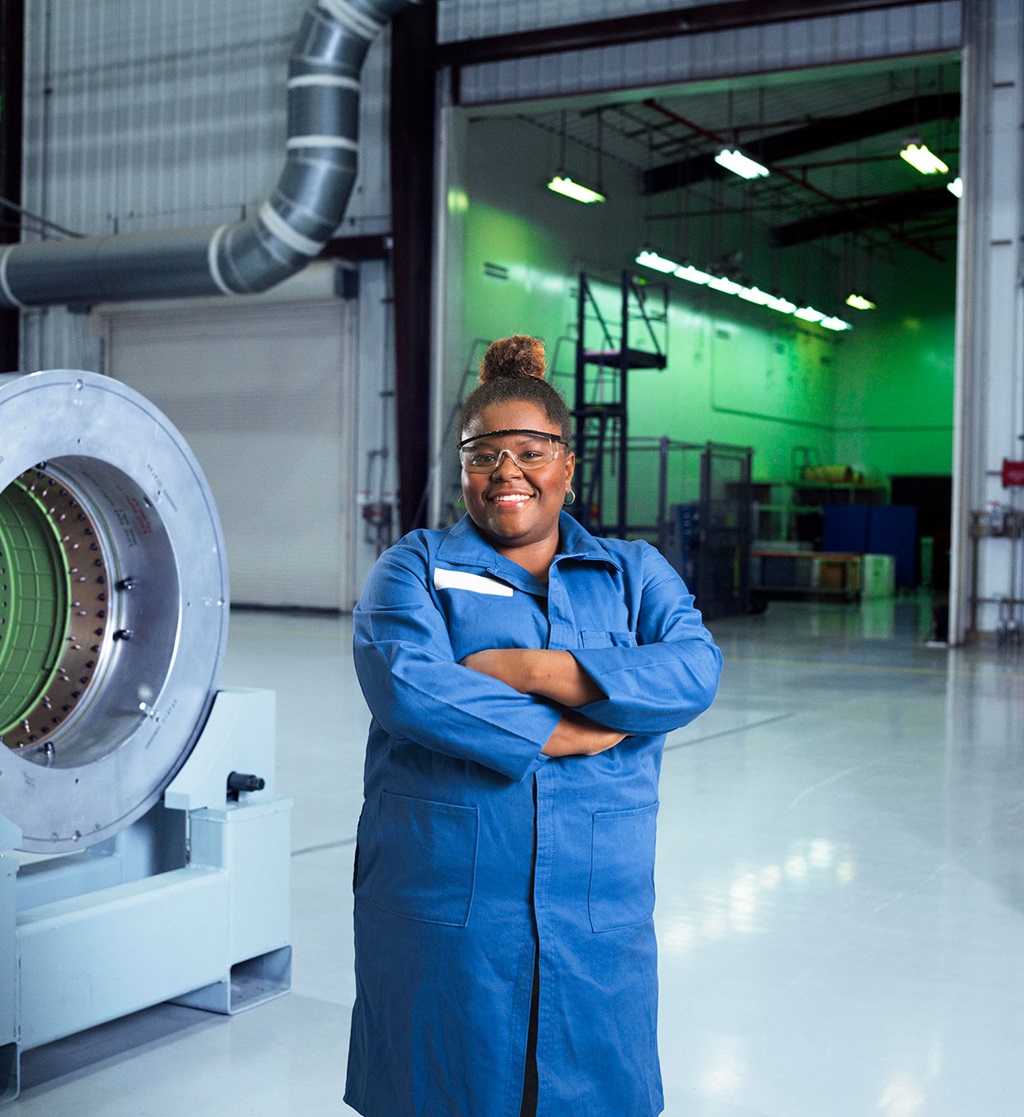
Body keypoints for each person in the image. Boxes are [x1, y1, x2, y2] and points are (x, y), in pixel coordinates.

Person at [344, 334, 722, 1117]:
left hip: (597, 906)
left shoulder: (633, 572)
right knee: (442, 1087)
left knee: (589, 1088)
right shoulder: (412, 569)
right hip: (446, 907)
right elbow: (407, 682)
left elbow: (693, 669)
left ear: (569, 466)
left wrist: (523, 668)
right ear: (461, 467)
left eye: (531, 450)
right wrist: (572, 724)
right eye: (484, 453)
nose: (506, 470)